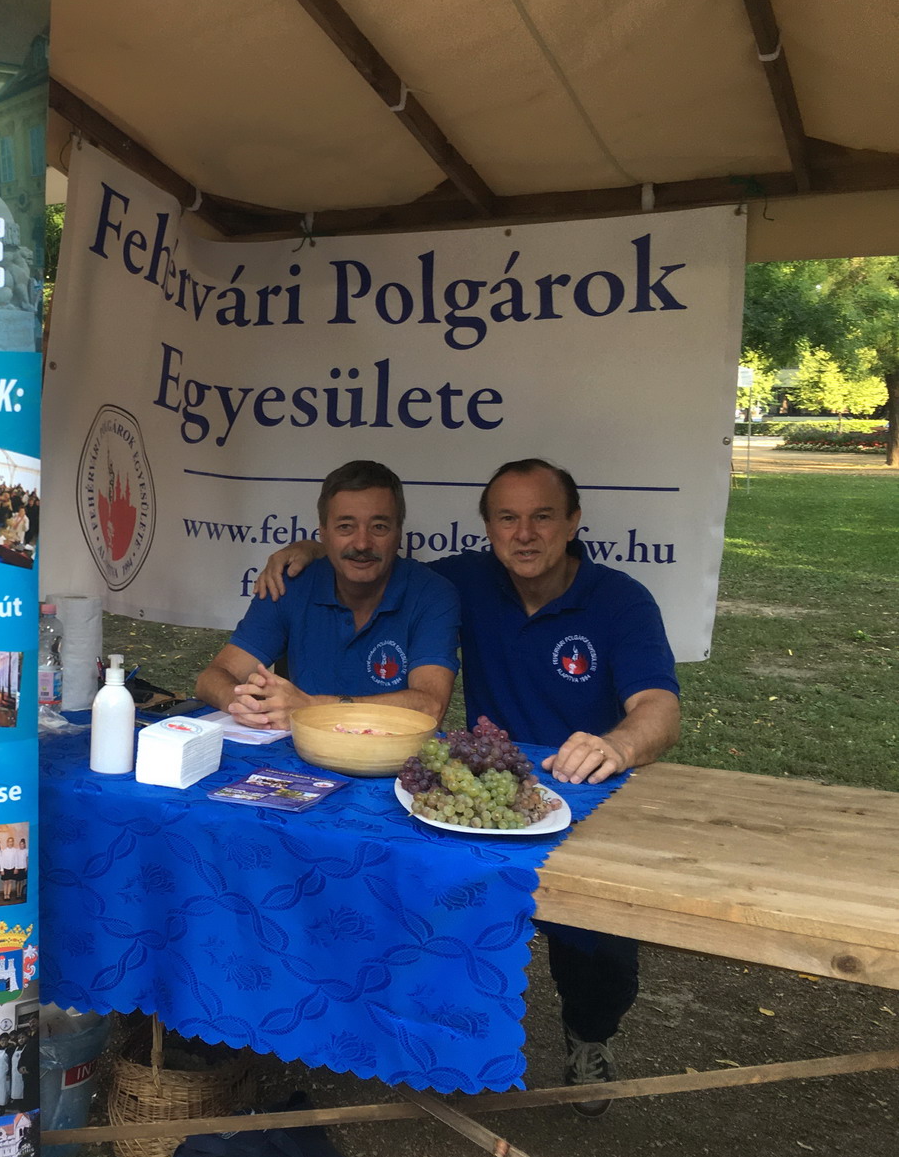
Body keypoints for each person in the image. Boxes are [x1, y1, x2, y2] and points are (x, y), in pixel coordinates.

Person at [255, 457, 681, 1116]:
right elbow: (370, 555)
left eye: (542, 516)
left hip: (589, 791)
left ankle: (588, 1034)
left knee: (596, 951)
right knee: (442, 911)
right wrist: (311, 551)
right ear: (487, 528)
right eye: (507, 518)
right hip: (482, 794)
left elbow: (660, 708)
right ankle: (435, 1044)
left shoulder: (619, 599)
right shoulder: (464, 582)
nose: (524, 534)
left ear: (573, 521)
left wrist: (616, 745)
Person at [195, 460, 460, 729]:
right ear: (323, 533)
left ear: (399, 533)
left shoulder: (432, 594)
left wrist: (311, 708)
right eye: (345, 526)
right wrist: (246, 705)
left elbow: (430, 707)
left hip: (392, 753)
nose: (362, 543)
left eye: (379, 527)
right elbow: (212, 678)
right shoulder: (290, 584)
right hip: (300, 750)